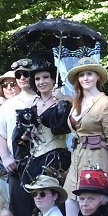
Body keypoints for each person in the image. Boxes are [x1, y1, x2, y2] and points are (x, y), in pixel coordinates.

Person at [63, 56, 108, 216]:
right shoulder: (76, 103)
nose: (85, 78)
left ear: (97, 77)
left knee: (93, 214)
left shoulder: (106, 104)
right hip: (77, 159)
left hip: (96, 159)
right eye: (81, 75)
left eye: (89, 74)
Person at [0, 59, 38, 216]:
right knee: (20, 211)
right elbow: (0, 134)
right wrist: (5, 158)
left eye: (26, 73)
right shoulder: (8, 105)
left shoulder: (45, 100)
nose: (22, 77)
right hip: (17, 164)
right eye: (18, 74)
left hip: (43, 161)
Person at [20, 60, 72, 191]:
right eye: (37, 78)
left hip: (56, 159)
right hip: (33, 159)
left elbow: (63, 128)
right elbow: (20, 137)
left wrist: (60, 101)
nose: (41, 82)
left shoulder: (66, 100)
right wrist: (27, 133)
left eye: (45, 77)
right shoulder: (29, 105)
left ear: (54, 79)